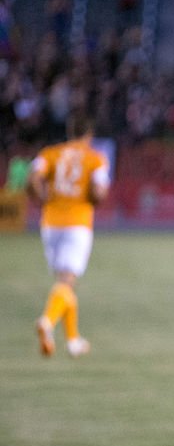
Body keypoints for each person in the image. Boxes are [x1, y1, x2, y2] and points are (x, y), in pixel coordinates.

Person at [29, 117, 110, 358]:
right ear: (89, 134)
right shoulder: (95, 158)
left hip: (50, 223)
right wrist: (93, 199)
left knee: (63, 282)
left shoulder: (51, 153)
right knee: (66, 282)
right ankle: (47, 321)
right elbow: (99, 191)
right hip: (77, 223)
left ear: (69, 131)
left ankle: (73, 340)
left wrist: (42, 198)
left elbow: (33, 178)